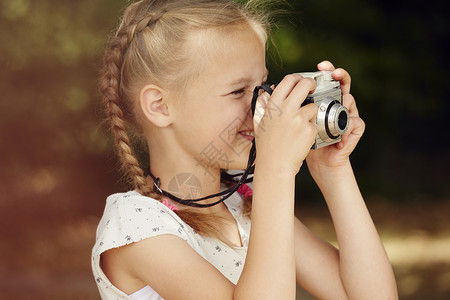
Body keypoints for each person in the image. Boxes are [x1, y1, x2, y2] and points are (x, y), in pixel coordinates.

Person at [92, 0, 398, 299]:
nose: (263, 105)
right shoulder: (135, 226)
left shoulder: (243, 200)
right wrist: (275, 170)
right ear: (159, 106)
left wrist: (332, 169)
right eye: (238, 91)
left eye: (262, 86)